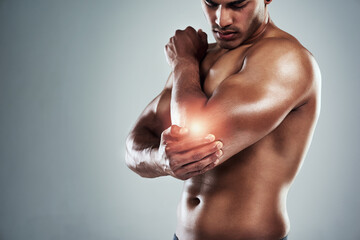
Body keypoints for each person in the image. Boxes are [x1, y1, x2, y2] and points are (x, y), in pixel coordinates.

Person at [125, 0, 321, 239]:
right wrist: (160, 159)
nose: (221, 20)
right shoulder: (202, 57)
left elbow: (193, 138)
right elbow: (134, 145)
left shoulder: (286, 58)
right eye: (211, 3)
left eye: (237, 5)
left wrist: (183, 63)